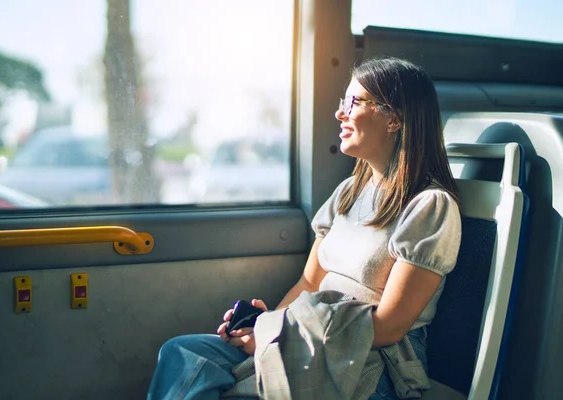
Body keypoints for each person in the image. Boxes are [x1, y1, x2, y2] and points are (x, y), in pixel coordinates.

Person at [147, 57, 462, 400]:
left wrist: (277, 336)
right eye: (344, 102)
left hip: (371, 359)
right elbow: (309, 283)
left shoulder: (429, 206)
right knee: (183, 353)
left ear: (394, 118)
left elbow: (389, 326)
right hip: (310, 336)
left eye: (355, 102)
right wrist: (265, 325)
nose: (340, 114)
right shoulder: (348, 193)